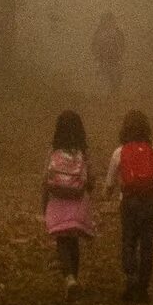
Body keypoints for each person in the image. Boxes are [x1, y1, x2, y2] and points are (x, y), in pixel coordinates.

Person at [107, 108, 153, 304]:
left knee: (129, 241)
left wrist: (106, 193)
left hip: (129, 203)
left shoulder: (120, 151)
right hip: (150, 202)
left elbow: (110, 182)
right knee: (148, 244)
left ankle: (131, 278)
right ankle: (143, 287)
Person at [41, 109, 95, 287]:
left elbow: (45, 179)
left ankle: (69, 277)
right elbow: (91, 180)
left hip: (57, 200)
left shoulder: (53, 150)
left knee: (62, 240)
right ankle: (74, 278)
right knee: (73, 241)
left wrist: (44, 203)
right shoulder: (82, 152)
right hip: (77, 201)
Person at [91, 11, 127, 94]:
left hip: (114, 61)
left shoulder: (117, 33)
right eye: (108, 20)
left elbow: (122, 46)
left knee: (115, 84)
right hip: (104, 62)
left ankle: (113, 101)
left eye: (110, 20)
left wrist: (118, 55)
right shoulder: (99, 33)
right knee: (105, 84)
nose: (110, 22)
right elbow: (94, 47)